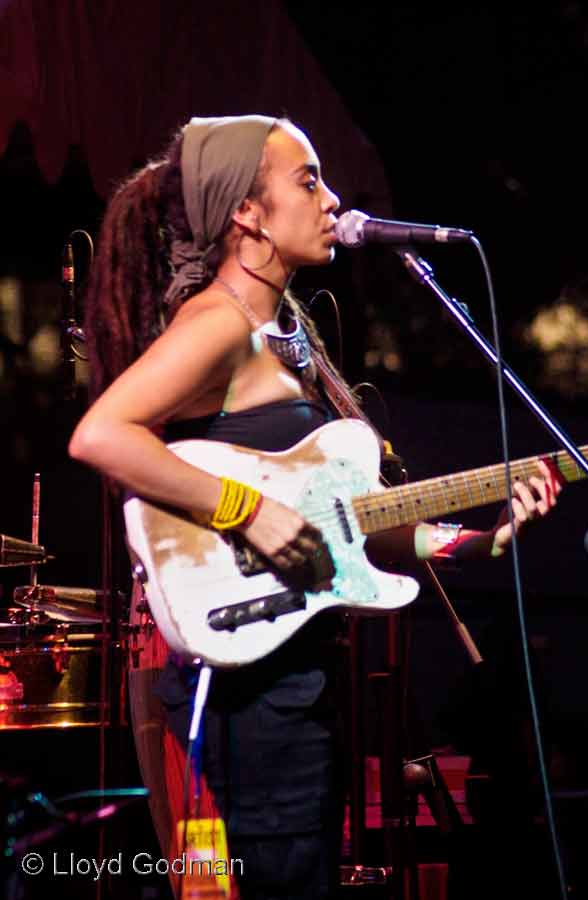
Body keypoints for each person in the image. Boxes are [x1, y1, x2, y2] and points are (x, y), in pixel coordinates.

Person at [69, 114, 562, 900]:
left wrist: (483, 542)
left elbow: (354, 525)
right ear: (247, 214)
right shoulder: (219, 322)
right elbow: (101, 435)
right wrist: (242, 508)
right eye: (309, 181)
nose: (333, 201)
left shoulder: (282, 333)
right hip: (250, 698)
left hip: (295, 684)